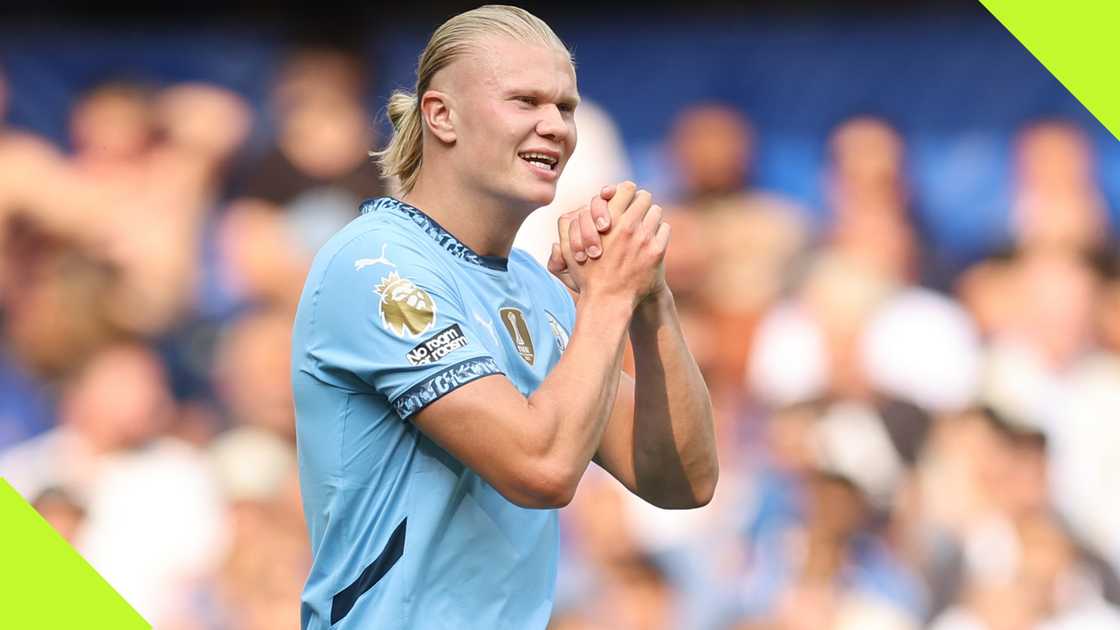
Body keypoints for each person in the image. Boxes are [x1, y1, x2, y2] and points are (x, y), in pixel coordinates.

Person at [290, 5, 717, 629]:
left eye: (566, 108)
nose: (555, 127)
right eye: (526, 102)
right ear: (441, 115)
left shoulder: (536, 291)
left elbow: (683, 481)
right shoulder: (376, 266)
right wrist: (605, 299)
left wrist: (650, 302)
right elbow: (540, 469)